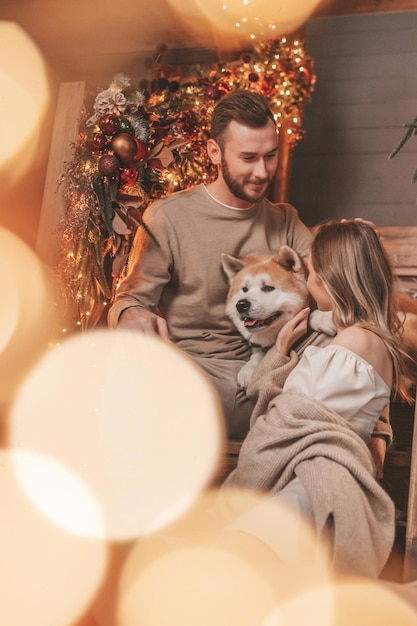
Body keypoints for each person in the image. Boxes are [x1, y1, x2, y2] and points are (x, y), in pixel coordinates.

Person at [107, 89, 392, 460]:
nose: (262, 171)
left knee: (361, 334)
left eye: (270, 156)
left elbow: (348, 295)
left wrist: (379, 427)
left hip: (282, 369)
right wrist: (130, 314)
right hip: (204, 377)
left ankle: (360, 445)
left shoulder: (285, 221)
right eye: (248, 158)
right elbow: (128, 300)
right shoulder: (168, 217)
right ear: (214, 152)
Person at [221, 220, 415, 577]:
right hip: (306, 474)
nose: (307, 281)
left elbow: (294, 420)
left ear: (327, 279)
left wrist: (279, 360)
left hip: (312, 482)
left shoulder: (354, 343)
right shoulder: (358, 337)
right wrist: (279, 351)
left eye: (309, 272)